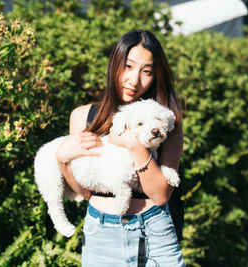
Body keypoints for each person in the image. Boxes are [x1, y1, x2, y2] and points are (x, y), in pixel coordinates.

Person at [56, 30, 186, 266]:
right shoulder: (84, 117)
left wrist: (134, 145)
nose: (134, 80)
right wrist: (63, 161)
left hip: (154, 231)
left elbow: (160, 195)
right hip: (101, 235)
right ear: (115, 64)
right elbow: (83, 193)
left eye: (146, 71)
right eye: (128, 66)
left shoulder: (165, 121)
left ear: (155, 75)